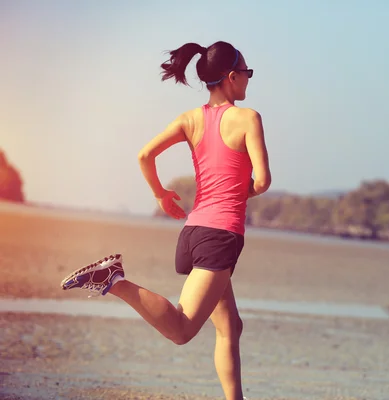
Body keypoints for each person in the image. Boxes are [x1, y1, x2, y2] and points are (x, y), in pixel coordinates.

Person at [59, 40, 271, 400]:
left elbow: (145, 154)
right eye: (247, 73)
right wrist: (239, 191)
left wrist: (160, 194)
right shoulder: (248, 118)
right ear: (232, 77)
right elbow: (263, 181)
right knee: (181, 330)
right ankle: (114, 280)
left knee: (230, 327)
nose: (249, 80)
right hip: (219, 237)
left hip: (192, 234)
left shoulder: (190, 119)